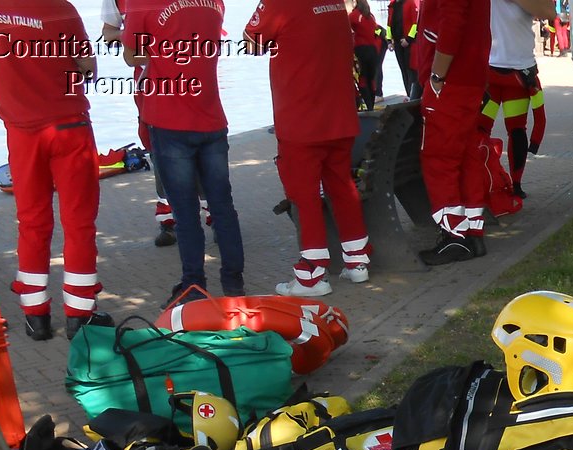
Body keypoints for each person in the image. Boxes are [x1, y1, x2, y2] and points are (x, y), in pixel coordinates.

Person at [0, 0, 112, 340]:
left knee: (32, 222)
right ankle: (79, 315)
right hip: (68, 127)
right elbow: (86, 67)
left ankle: (36, 317)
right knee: (78, 223)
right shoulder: (57, 6)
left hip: (20, 132)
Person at [245, 0, 372, 295]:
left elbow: (252, 42)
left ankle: (313, 276)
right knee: (343, 187)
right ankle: (357, 261)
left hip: (301, 118)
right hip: (339, 114)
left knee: (305, 195)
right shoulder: (335, 4)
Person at [124, 0, 245, 305]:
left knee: (185, 212)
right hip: (211, 116)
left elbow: (131, 56)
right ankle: (234, 285)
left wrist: (159, 50)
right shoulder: (214, 3)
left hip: (169, 121)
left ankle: (194, 287)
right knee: (222, 206)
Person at [412, 0, 490, 265]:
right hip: (470, 76)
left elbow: (452, 22)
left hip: (451, 80)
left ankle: (455, 236)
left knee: (439, 158)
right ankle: (472, 232)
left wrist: (436, 75)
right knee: (467, 156)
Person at [100, 0, 175, 247]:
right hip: (147, 80)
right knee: (156, 147)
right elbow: (108, 34)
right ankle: (169, 218)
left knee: (199, 143)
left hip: (188, 73)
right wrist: (131, 32)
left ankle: (213, 215)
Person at [484, 0, 553, 201]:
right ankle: (484, 179)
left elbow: (550, 12)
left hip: (519, 74)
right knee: (479, 131)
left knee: (516, 131)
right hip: (489, 73)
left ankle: (516, 184)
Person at [348, 0, 383, 109]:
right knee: (371, 78)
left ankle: (368, 106)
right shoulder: (370, 16)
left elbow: (346, 29)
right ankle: (371, 104)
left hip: (361, 50)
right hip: (373, 50)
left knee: (362, 78)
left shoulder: (354, 16)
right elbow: (374, 30)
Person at [388, 0, 420, 95]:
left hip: (409, 43)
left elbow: (416, 23)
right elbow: (389, 25)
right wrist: (389, 41)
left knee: (411, 70)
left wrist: (409, 39)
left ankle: (414, 95)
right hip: (397, 43)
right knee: (403, 70)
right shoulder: (392, 5)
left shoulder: (411, 3)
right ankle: (408, 93)